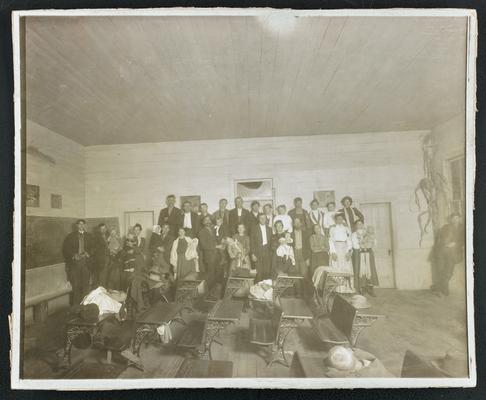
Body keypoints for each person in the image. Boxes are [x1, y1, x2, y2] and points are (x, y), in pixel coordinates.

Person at [430, 213, 465, 297]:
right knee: (441, 270)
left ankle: (440, 287)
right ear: (451, 219)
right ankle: (444, 289)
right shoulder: (445, 227)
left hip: (453, 253)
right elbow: (439, 238)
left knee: (449, 272)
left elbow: (465, 239)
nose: (455, 220)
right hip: (443, 252)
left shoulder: (463, 228)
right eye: (453, 218)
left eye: (457, 218)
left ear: (459, 219)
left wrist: (455, 243)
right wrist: (444, 244)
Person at [63, 219, 95, 305]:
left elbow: (94, 247)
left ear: (85, 226)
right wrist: (73, 255)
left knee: (86, 285)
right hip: (75, 264)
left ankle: (85, 305)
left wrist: (88, 253)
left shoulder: (89, 236)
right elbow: (66, 249)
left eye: (83, 224)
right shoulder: (70, 236)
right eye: (79, 224)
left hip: (86, 263)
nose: (81, 226)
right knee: (76, 285)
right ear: (77, 226)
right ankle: (76, 306)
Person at [198, 216, 225, 298]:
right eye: (205, 220)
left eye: (209, 220)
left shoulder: (213, 230)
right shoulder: (201, 232)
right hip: (209, 257)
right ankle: (209, 295)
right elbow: (203, 245)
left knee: (218, 275)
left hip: (217, 256)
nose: (208, 221)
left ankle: (216, 294)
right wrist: (217, 246)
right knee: (210, 276)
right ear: (203, 222)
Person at [351, 220, 379, 296]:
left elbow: (374, 242)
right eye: (358, 224)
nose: (360, 225)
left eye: (361, 224)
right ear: (355, 225)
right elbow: (355, 245)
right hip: (359, 253)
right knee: (360, 269)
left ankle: (370, 288)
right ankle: (361, 288)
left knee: (370, 269)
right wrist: (362, 245)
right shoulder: (353, 234)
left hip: (368, 253)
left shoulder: (367, 233)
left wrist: (369, 243)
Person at [329, 213, 355, 293]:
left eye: (341, 219)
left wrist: (348, 251)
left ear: (343, 219)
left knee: (346, 267)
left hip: (345, 248)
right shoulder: (332, 229)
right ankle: (337, 288)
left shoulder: (346, 229)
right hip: (336, 248)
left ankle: (347, 288)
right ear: (335, 220)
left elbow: (349, 240)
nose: (339, 220)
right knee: (336, 266)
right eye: (338, 219)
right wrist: (333, 252)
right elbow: (330, 241)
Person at [250, 213, 273, 282]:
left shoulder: (269, 229)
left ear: (266, 219)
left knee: (266, 272)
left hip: (267, 253)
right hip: (258, 252)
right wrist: (252, 254)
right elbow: (252, 242)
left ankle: (266, 291)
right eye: (261, 218)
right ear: (258, 219)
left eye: (264, 218)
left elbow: (271, 242)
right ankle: (258, 290)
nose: (263, 219)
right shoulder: (254, 228)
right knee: (259, 273)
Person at [291, 217, 311, 282]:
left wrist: (308, 258)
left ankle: (305, 291)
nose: (297, 224)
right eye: (295, 223)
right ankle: (297, 291)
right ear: (293, 224)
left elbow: (308, 246)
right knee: (295, 274)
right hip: (294, 254)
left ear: (301, 223)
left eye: (298, 222)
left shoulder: (305, 233)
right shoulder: (290, 234)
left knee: (304, 273)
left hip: (303, 254)